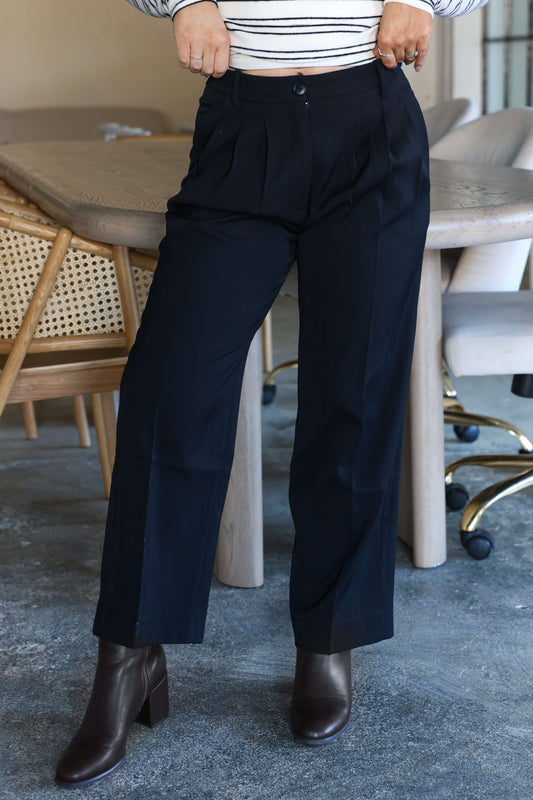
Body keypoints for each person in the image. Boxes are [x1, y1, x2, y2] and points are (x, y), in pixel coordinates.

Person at [55, 0, 489, 788]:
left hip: (369, 115)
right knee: (168, 391)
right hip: (241, 121)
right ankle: (129, 654)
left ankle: (327, 641)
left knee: (353, 398)